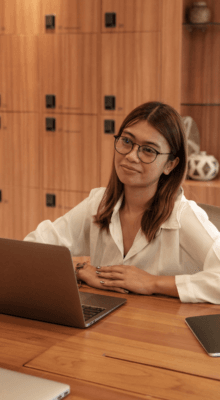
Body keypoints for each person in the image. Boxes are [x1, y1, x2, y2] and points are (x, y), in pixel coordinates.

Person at [25, 101, 220, 304]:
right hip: (108, 324)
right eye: (127, 141)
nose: (131, 156)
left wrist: (153, 283)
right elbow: (31, 250)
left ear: (170, 165)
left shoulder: (182, 216)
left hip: (164, 329)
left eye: (148, 150)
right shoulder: (98, 203)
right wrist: (79, 270)